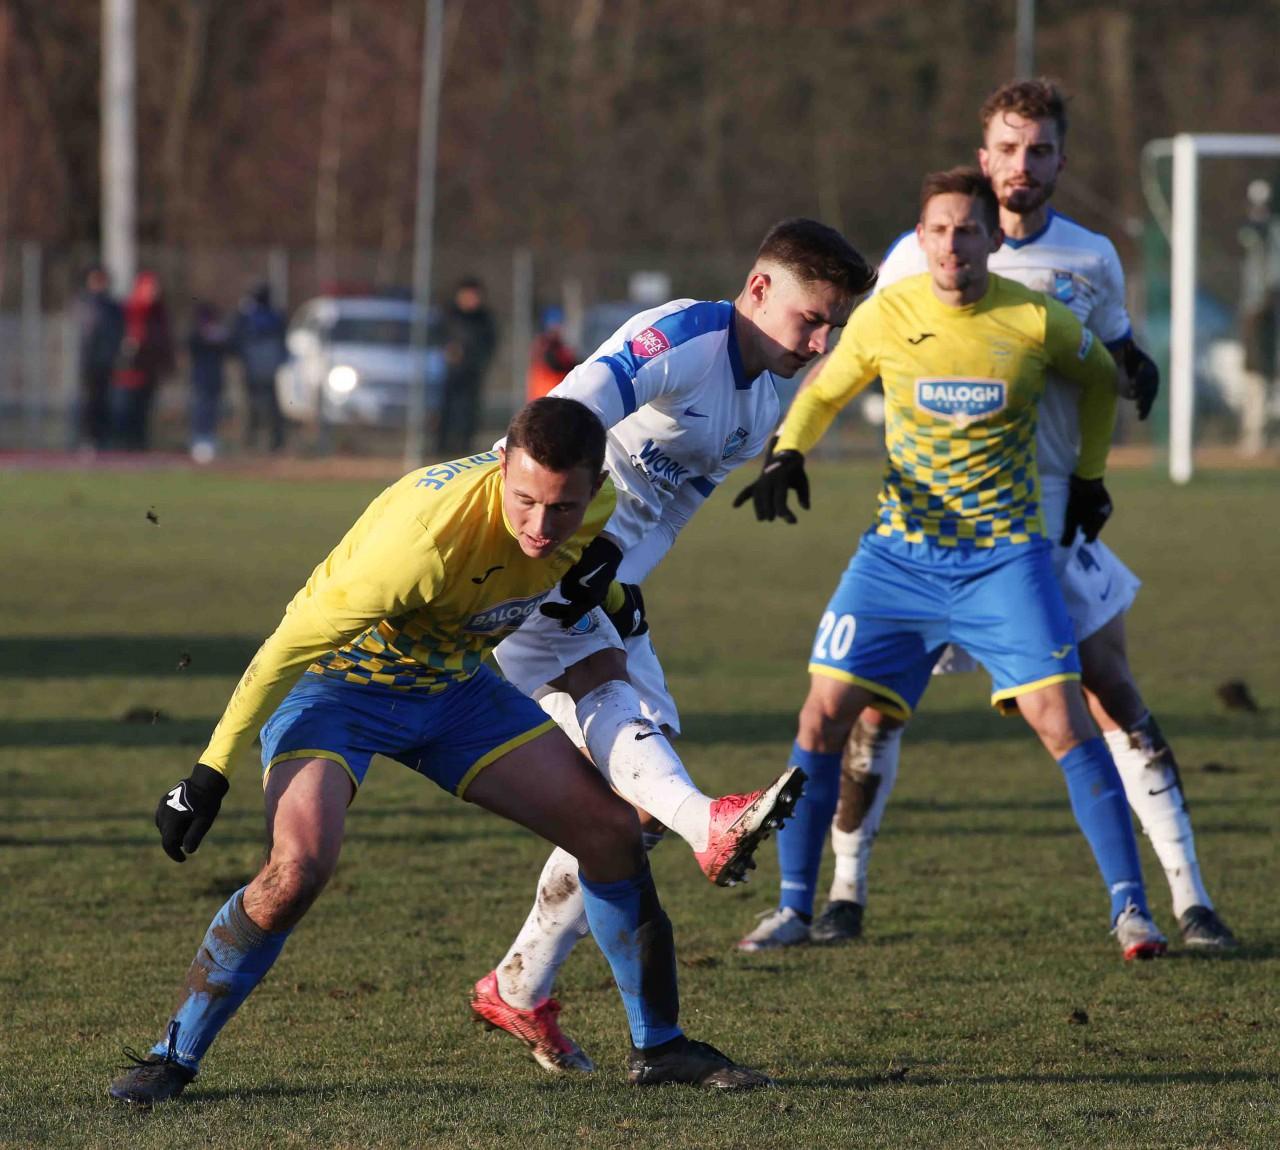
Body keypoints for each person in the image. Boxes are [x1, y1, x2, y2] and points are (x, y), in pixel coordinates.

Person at [108, 397, 770, 1107]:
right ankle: (170, 1058)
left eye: (562, 508)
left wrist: (610, 595)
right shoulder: (423, 542)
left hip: (454, 690)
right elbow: (284, 649)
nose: (541, 526)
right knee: (296, 871)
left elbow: (571, 566)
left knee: (612, 832)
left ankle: (661, 1048)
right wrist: (208, 775)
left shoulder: (596, 508)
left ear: (594, 488)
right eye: (525, 502)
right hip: (337, 692)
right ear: (501, 466)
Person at [754, 79, 1236, 955]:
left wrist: (1131, 374)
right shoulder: (913, 262)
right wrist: (789, 444)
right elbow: (852, 359)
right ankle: (840, 895)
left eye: (1040, 150)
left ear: (1060, 160)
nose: (1023, 165)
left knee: (1107, 694)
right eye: (1009, 149)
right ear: (984, 161)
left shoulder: (1089, 259)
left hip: (1044, 519)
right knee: (870, 712)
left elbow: (1107, 358)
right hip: (921, 535)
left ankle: (1186, 899)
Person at [472, 219, 877, 1074]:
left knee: (632, 813)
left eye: (834, 326)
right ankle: (708, 829)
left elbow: (672, 508)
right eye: (812, 319)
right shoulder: (684, 338)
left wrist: (615, 566)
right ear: (758, 289)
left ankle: (519, 982)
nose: (821, 343)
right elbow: (558, 426)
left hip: (599, 580)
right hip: (531, 552)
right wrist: (568, 545)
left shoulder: (764, 398)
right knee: (612, 720)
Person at [1238, 178, 1280, 455]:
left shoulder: (1272, 232)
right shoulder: (1253, 231)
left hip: (1265, 308)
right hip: (1255, 309)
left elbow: (1272, 275)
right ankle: (1255, 432)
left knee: (1266, 371)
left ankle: (1262, 433)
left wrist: (1264, 301)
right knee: (1254, 372)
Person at [110, 270, 174, 451]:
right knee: (124, 414)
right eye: (149, 288)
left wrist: (167, 363)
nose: (153, 292)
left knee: (143, 415)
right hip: (127, 374)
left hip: (149, 372)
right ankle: (120, 448)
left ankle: (139, 448)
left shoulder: (159, 313)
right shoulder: (128, 310)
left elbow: (165, 341)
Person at [437, 278, 498, 454]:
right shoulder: (449, 315)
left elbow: (490, 343)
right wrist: (448, 350)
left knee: (469, 412)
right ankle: (441, 447)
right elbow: (438, 337)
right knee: (447, 410)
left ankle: (464, 447)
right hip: (450, 372)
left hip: (472, 371)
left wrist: (478, 360)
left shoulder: (484, 319)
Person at [232, 283, 289, 453]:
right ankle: (271, 442)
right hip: (266, 368)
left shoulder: (247, 315)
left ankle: (253, 442)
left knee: (253, 406)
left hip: (255, 368)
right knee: (267, 407)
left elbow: (235, 339)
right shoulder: (274, 315)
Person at [75, 264, 124, 451]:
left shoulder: (112, 307)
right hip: (87, 361)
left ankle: (104, 439)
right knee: (88, 402)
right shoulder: (82, 303)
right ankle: (87, 439)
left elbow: (117, 332)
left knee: (106, 400)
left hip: (106, 361)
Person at [187, 301, 230, 464]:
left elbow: (230, 346)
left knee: (213, 411)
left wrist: (217, 338)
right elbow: (192, 343)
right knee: (200, 410)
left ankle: (209, 441)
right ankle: (198, 442)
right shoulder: (196, 335)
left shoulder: (219, 335)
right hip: (200, 379)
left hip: (215, 379)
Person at [526, 306, 578, 400]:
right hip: (547, 397)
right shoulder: (545, 345)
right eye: (556, 325)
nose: (559, 329)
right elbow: (557, 364)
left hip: (555, 396)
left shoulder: (557, 345)